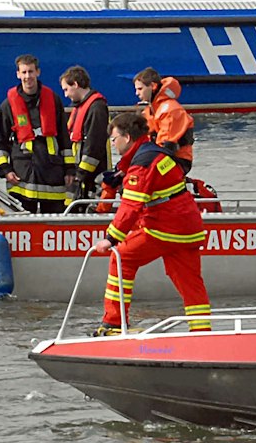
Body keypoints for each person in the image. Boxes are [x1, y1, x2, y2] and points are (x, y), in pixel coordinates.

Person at [88, 111, 212, 335]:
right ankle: (201, 331)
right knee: (190, 282)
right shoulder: (154, 154)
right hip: (188, 226)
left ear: (126, 138)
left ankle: (114, 323)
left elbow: (130, 207)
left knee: (121, 258)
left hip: (165, 227)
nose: (114, 145)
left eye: (114, 139)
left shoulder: (142, 164)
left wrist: (110, 239)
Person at [0, 54, 69, 213]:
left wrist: (70, 169)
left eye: (30, 72)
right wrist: (6, 170)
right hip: (22, 175)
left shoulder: (53, 100)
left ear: (38, 72)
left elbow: (64, 137)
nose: (27, 76)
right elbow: (1, 141)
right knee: (22, 227)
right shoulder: (8, 105)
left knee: (53, 227)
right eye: (24, 72)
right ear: (18, 74)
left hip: (52, 172)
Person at [60, 65, 111, 207]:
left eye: (66, 89)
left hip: (93, 176)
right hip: (83, 175)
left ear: (75, 84)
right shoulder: (82, 108)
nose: (65, 95)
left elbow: (94, 145)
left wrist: (81, 174)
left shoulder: (96, 108)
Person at [134, 67, 195, 174]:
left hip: (177, 160)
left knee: (146, 176)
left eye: (140, 89)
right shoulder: (152, 109)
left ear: (153, 86)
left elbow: (167, 146)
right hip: (161, 155)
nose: (137, 93)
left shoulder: (170, 110)